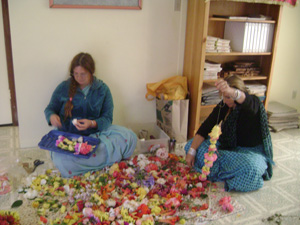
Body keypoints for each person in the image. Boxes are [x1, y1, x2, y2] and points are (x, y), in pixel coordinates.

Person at [44, 52, 137, 177]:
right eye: (76, 74)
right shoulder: (63, 87)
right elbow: (50, 108)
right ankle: (97, 162)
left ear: (91, 72)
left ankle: (89, 162)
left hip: (96, 135)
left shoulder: (103, 90)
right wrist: (52, 116)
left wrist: (92, 123)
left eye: (83, 74)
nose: (79, 78)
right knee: (61, 159)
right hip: (69, 136)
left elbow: (107, 118)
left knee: (129, 136)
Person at [185, 75, 273, 192]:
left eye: (228, 97)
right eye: (224, 97)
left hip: (250, 153)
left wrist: (232, 92)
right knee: (192, 145)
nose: (225, 100)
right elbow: (205, 128)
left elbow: (245, 100)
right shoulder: (225, 105)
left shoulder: (253, 102)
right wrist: (192, 151)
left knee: (252, 169)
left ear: (238, 92)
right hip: (228, 149)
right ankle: (228, 172)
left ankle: (222, 173)